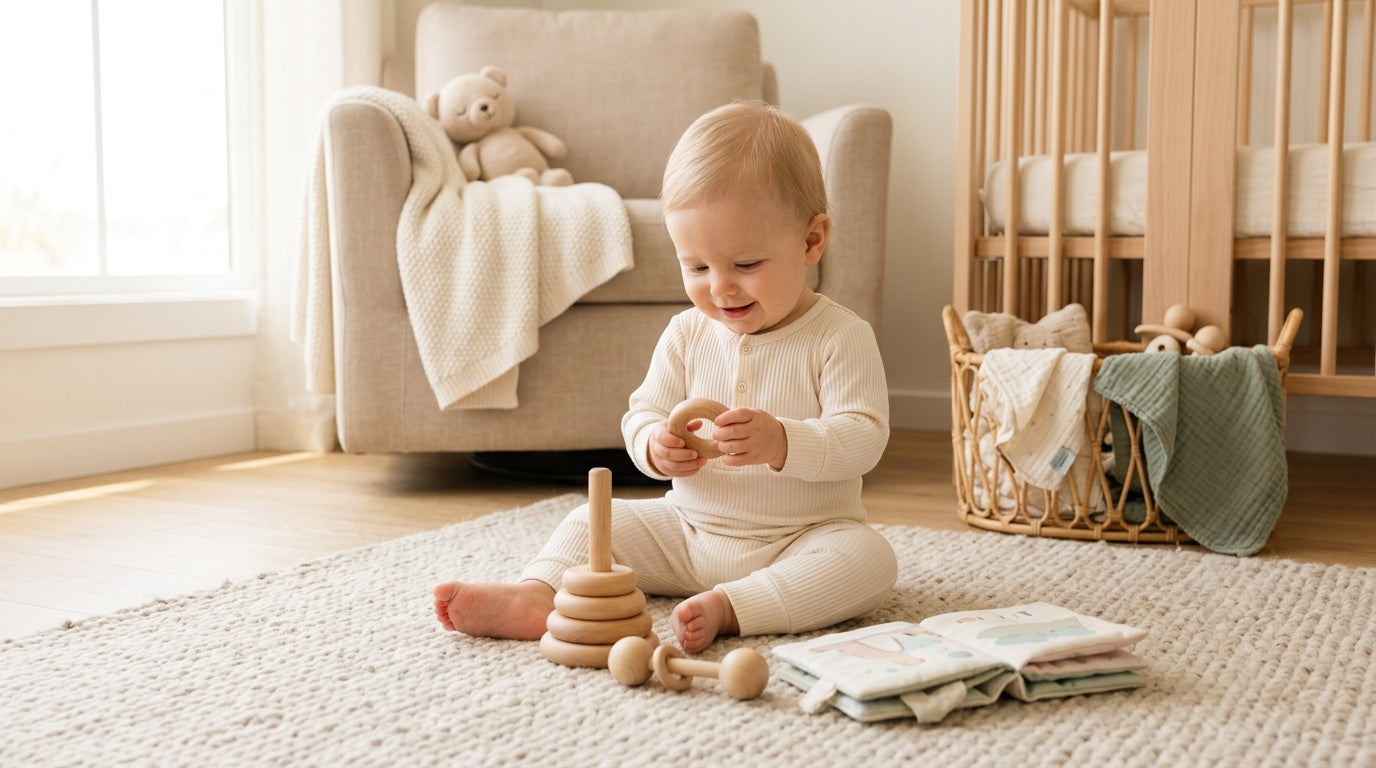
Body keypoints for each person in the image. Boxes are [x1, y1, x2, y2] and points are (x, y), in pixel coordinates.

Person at [434, 100, 897, 654]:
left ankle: (734, 606)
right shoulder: (685, 334)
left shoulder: (840, 335)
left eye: (745, 265)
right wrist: (654, 445)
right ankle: (538, 593)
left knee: (869, 559)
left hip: (800, 538)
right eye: (697, 267)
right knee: (595, 519)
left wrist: (784, 440)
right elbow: (643, 413)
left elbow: (864, 437)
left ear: (811, 241)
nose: (720, 288)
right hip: (687, 532)